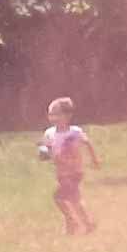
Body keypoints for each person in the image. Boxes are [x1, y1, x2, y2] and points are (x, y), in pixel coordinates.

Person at [38, 98, 100, 236]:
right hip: (61, 172)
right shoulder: (49, 133)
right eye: (50, 114)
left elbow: (87, 143)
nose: (53, 117)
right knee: (73, 199)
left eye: (57, 114)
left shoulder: (74, 132)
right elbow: (44, 150)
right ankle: (85, 224)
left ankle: (74, 222)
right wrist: (43, 152)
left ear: (68, 115)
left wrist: (94, 159)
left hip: (74, 171)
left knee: (60, 198)